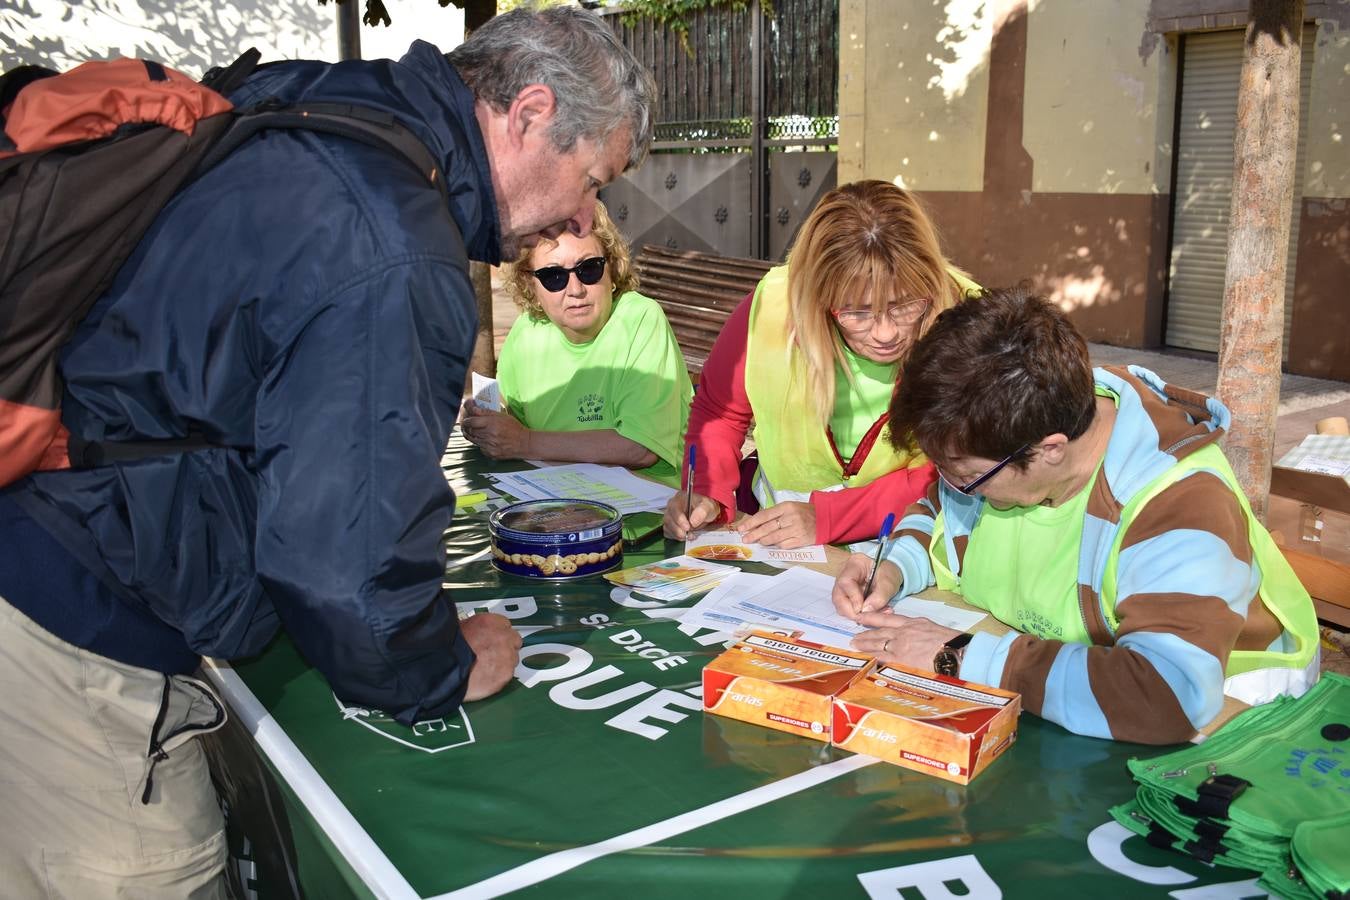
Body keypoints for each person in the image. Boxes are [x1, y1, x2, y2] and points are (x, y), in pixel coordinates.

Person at [0, 7, 654, 896]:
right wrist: (445, 664)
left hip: (40, 549)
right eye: (592, 178)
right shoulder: (394, 239)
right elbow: (342, 561)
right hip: (79, 620)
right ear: (530, 112)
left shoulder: (318, 106)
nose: (584, 213)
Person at [832, 285, 1320, 745]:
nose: (954, 485)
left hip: (1233, 734)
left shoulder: (1181, 503)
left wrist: (959, 656)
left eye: (966, 474)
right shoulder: (1009, 442)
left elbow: (1168, 695)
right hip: (1057, 696)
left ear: (1050, 450)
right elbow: (943, 510)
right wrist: (895, 564)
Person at [662, 179, 979, 547]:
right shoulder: (773, 305)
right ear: (818, 298)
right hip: (780, 546)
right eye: (858, 312)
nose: (886, 332)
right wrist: (706, 492)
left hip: (911, 547)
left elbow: (962, 467)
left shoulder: (970, 322)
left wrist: (831, 518)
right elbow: (720, 410)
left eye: (905, 304)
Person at [461, 200, 692, 486]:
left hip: (648, 509)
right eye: (553, 276)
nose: (576, 290)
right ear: (529, 282)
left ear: (611, 267)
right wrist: (488, 423)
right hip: (552, 500)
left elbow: (641, 448)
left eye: (589, 268)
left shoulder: (640, 319)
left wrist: (524, 441)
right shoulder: (526, 331)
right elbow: (511, 414)